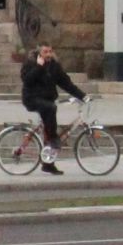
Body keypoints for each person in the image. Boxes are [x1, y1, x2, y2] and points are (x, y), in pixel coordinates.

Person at [19, 44, 85, 174]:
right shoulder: (30, 63)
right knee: (51, 109)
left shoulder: (54, 66)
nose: (48, 54)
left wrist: (83, 96)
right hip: (31, 99)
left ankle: (48, 164)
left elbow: (66, 84)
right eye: (45, 52)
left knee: (49, 121)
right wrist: (39, 67)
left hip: (47, 100)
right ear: (39, 53)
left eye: (50, 51)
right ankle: (54, 139)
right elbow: (27, 80)